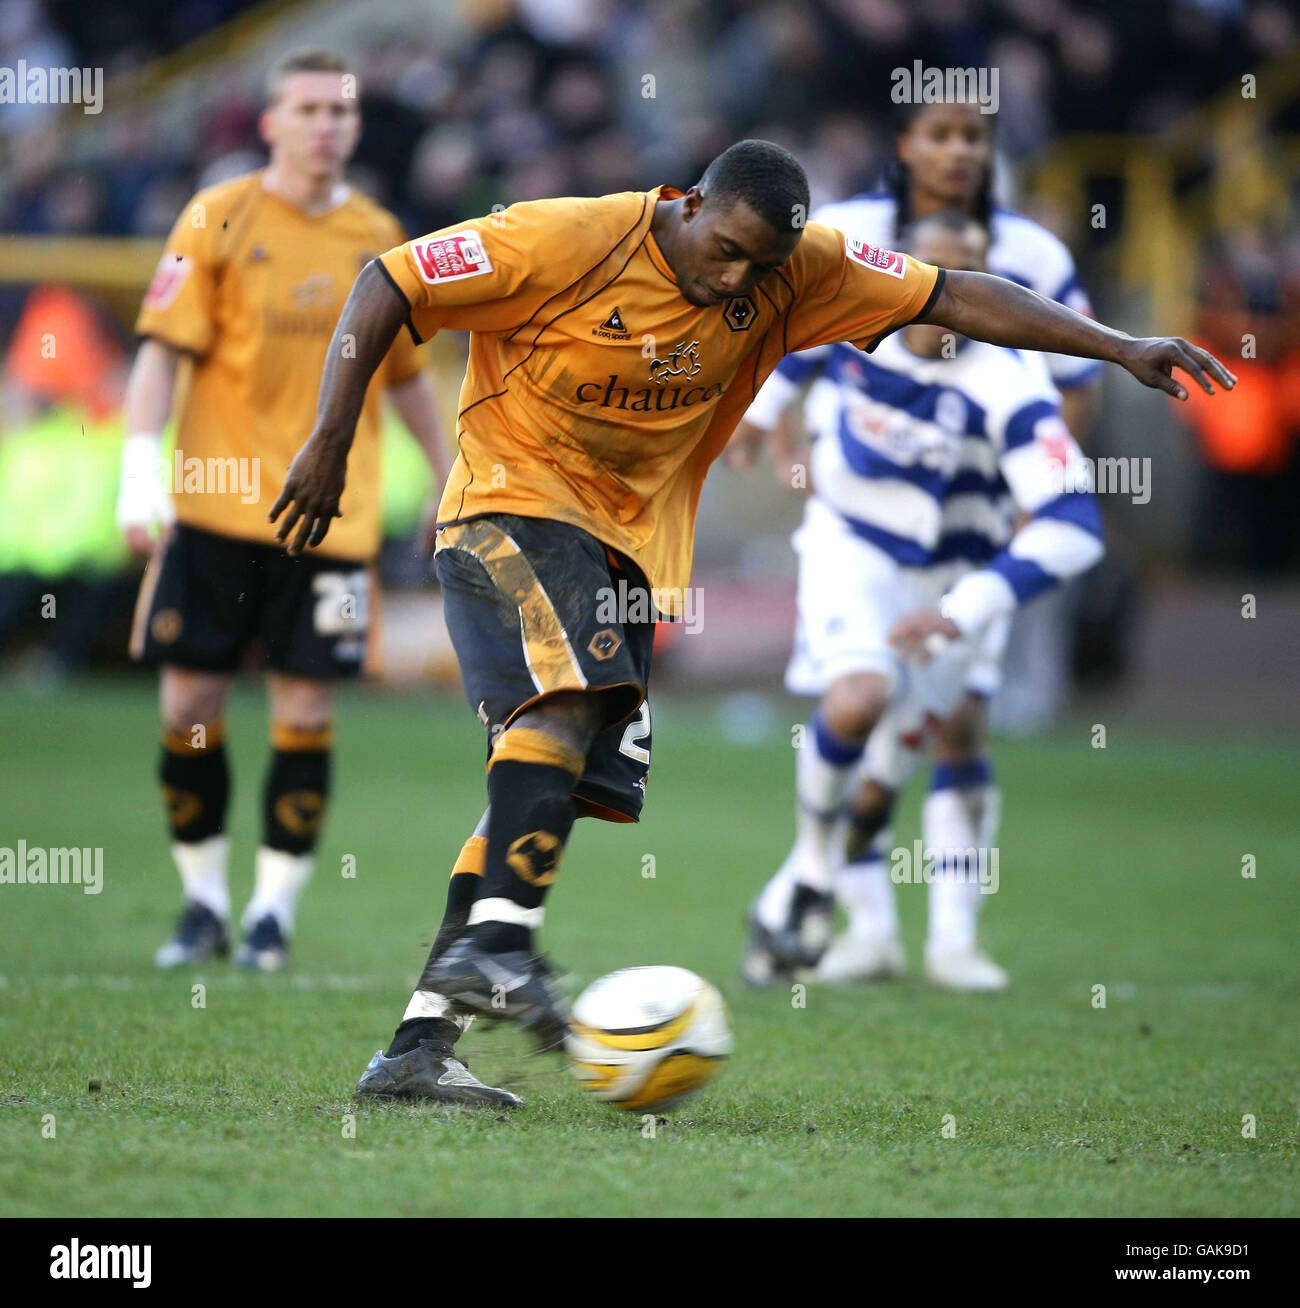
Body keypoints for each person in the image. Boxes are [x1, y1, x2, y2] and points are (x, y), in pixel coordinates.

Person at [270, 139, 1232, 1108]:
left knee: (543, 784)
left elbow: (953, 294)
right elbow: (385, 280)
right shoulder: (565, 238)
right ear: (688, 205)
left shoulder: (800, 272)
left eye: (759, 265)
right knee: (561, 710)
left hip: (628, 549)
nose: (736, 276)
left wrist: (1118, 346)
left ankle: (416, 1049)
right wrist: (329, 439)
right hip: (509, 504)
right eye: (724, 248)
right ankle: (502, 946)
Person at [727, 100, 1103, 983]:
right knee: (858, 702)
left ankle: (942, 938)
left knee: (940, 735)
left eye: (974, 285)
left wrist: (970, 600)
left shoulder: (1009, 378)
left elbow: (1077, 522)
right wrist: (770, 429)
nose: (958, 302)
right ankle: (826, 888)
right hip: (853, 550)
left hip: (961, 569)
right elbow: (785, 358)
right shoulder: (854, 319)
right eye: (939, 279)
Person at [117, 48, 449, 972]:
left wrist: (446, 472)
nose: (324, 125)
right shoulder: (217, 216)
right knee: (189, 705)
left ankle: (272, 911)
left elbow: (410, 374)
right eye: (305, 109)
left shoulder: (378, 233)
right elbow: (161, 353)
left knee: (307, 706)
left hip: (331, 526)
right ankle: (200, 900)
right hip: (216, 512)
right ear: (270, 123)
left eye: (339, 111)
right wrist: (139, 473)